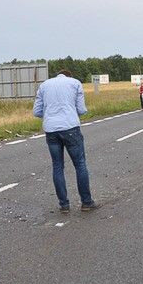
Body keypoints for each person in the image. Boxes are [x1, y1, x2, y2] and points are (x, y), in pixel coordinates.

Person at [33, 69, 101, 213]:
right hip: (70, 127)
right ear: (69, 76)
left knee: (57, 166)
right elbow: (81, 110)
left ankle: (64, 205)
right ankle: (86, 202)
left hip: (51, 130)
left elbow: (37, 112)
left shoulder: (44, 85)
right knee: (80, 164)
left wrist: (51, 114)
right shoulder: (75, 83)